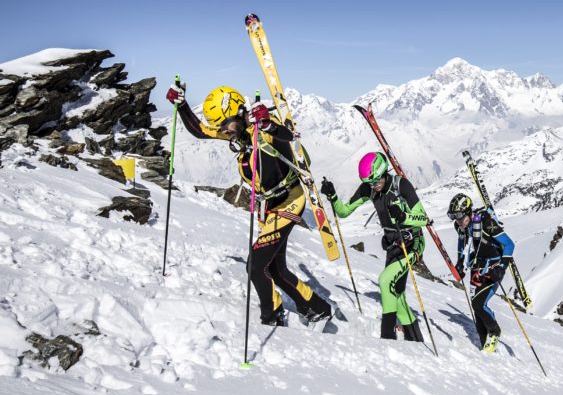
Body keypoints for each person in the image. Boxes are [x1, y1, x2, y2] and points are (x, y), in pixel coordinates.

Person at [166, 84, 334, 327]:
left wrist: (268, 125)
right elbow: (201, 131)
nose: (224, 131)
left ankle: (272, 315)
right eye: (222, 127)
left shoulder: (265, 127)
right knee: (275, 269)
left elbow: (294, 145)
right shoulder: (237, 131)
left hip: (288, 201)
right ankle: (318, 308)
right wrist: (181, 106)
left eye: (226, 124)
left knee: (255, 266)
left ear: (240, 112)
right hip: (270, 206)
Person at [320, 152, 428, 342]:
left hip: (412, 243)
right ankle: (415, 341)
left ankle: (386, 338)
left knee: (385, 281)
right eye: (369, 183)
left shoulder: (401, 185)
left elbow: (424, 218)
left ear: (384, 172)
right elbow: (344, 212)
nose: (373, 186)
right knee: (396, 294)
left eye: (376, 181)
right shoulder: (368, 188)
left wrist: (403, 217)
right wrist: (333, 195)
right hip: (393, 245)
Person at [447, 193, 515, 353]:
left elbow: (509, 245)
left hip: (493, 267)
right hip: (477, 267)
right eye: (455, 218)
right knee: (477, 308)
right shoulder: (461, 227)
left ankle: (494, 331)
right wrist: (459, 262)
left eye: (460, 217)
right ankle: (485, 349)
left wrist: (502, 267)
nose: (458, 221)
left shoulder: (486, 222)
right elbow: (461, 244)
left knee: (478, 303)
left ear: (469, 212)